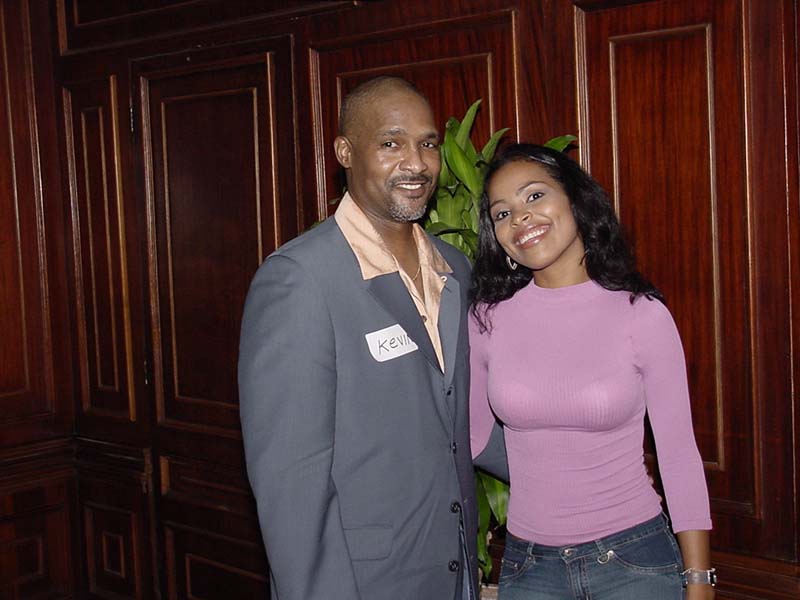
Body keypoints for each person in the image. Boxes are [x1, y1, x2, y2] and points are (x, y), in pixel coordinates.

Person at [239, 76, 505, 600]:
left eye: (427, 144)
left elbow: (466, 421)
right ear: (345, 152)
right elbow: (291, 483)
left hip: (450, 574)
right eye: (391, 143)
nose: (416, 163)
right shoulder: (300, 279)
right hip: (362, 582)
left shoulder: (454, 269)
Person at [469, 143, 714, 600]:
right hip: (529, 567)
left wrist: (700, 581)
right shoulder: (487, 319)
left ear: (576, 201)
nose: (520, 218)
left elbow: (678, 453)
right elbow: (473, 438)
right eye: (502, 213)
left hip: (634, 561)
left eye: (534, 196)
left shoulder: (641, 314)